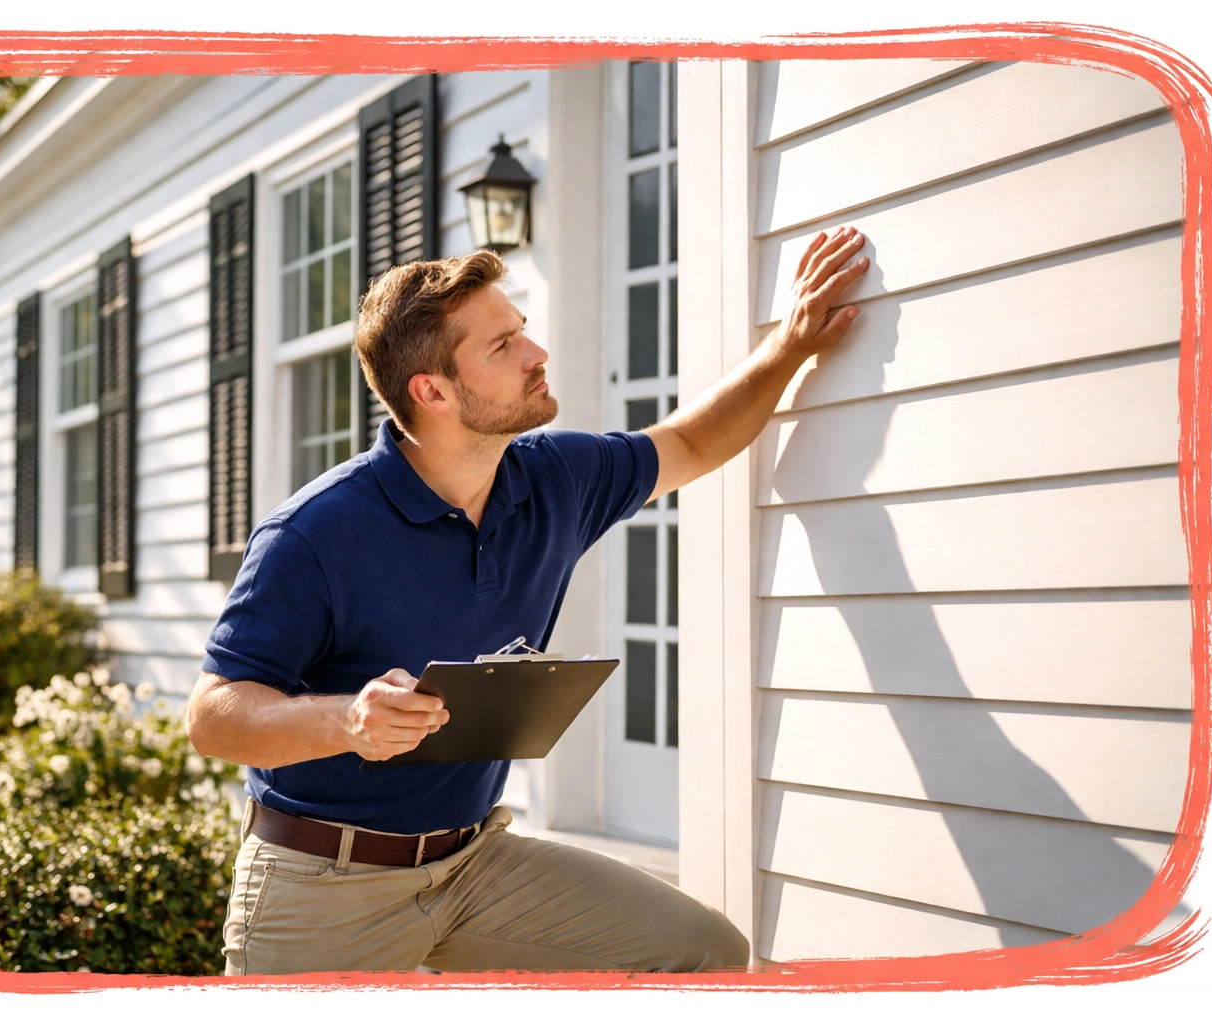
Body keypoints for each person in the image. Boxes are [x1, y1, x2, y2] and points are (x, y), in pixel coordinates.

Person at [187, 227, 871, 975]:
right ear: (433, 392)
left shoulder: (555, 477)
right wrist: (348, 720)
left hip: (472, 865)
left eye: (521, 331)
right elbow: (213, 718)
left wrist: (790, 346)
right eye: (503, 345)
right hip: (324, 883)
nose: (536, 353)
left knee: (704, 952)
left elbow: (692, 444)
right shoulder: (314, 534)